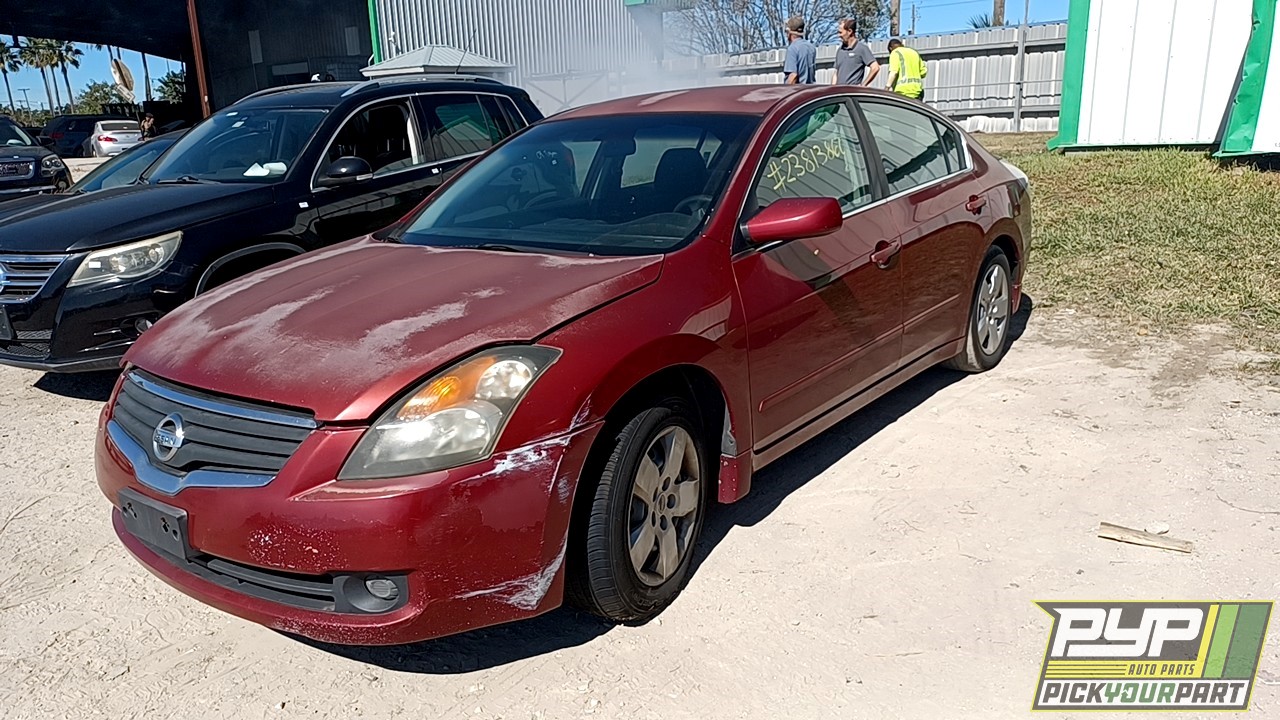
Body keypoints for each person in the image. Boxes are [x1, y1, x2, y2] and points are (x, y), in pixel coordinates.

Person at [832, 18, 880, 87]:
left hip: (852, 93)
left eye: (840, 32)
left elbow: (875, 68)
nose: (839, 35)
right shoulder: (840, 50)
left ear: (849, 31)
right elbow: (836, 72)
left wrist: (863, 85)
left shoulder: (861, 48)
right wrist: (833, 89)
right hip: (840, 94)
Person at [782, 15, 817, 85]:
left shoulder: (792, 49)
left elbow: (793, 76)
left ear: (789, 32)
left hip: (798, 91)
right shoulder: (811, 47)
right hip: (810, 91)